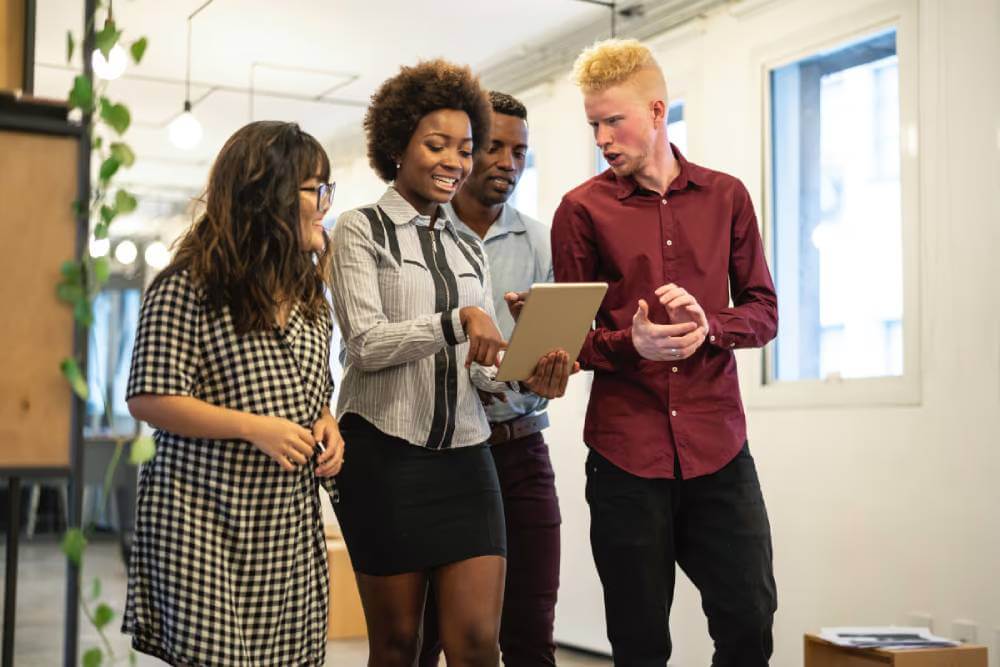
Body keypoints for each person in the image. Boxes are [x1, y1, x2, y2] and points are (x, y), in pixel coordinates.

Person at [551, 39, 779, 666]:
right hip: (627, 455)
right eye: (593, 123)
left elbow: (764, 310)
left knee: (750, 618)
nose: (601, 136)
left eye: (612, 120)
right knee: (639, 639)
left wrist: (712, 327)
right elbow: (562, 343)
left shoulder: (727, 197)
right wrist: (633, 343)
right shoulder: (579, 210)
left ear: (656, 112)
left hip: (720, 449)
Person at [329, 61, 564, 667]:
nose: (454, 162)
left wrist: (525, 372)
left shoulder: (465, 245)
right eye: (437, 145)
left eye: (464, 148)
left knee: (477, 644)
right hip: (385, 455)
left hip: (467, 455)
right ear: (398, 143)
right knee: (400, 644)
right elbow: (366, 345)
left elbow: (480, 369)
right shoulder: (360, 229)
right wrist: (456, 321)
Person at [124, 121, 344, 666]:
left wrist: (328, 422)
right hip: (203, 517)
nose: (324, 203)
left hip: (284, 525)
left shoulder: (309, 291)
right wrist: (253, 426)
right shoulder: (188, 284)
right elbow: (149, 398)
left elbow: (313, 387)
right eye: (314, 188)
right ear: (266, 193)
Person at [418, 91, 570, 667]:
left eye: (520, 151)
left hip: (518, 449)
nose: (508, 162)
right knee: (427, 634)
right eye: (495, 147)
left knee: (532, 629)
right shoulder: (422, 234)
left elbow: (552, 356)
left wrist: (548, 374)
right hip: (436, 458)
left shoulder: (540, 240)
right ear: (465, 150)